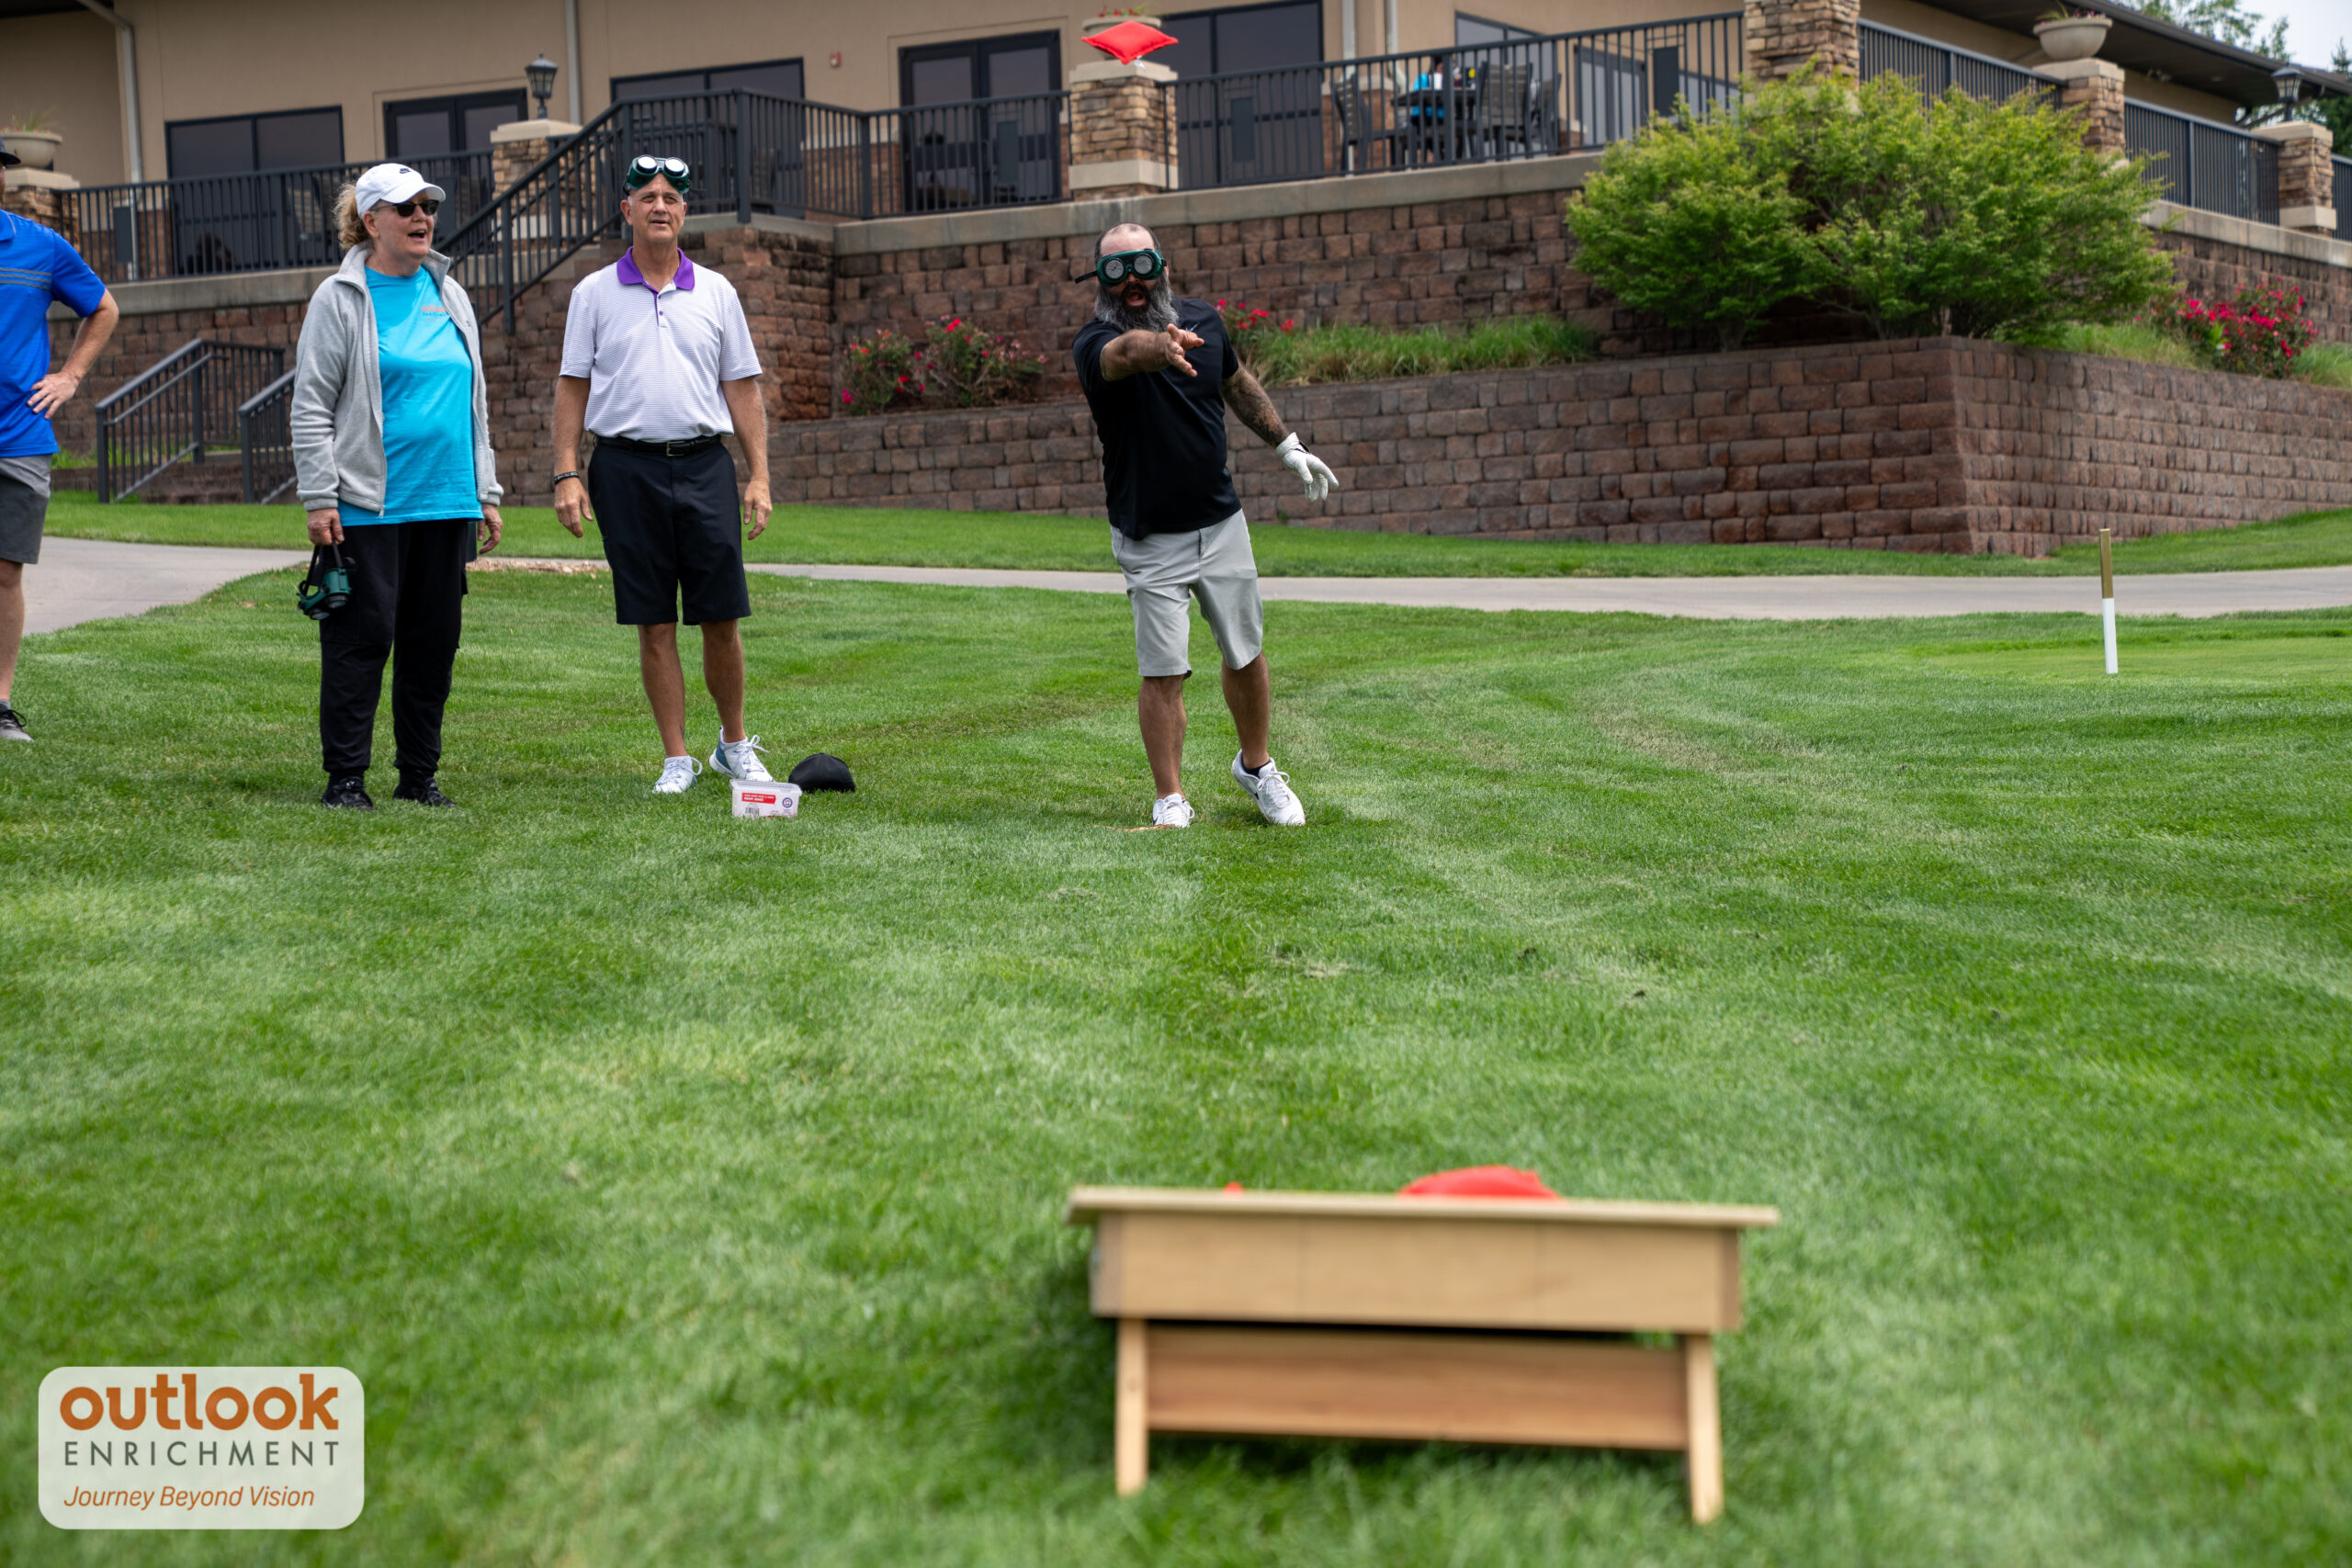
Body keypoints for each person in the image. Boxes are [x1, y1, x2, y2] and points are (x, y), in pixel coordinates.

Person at [1072, 222, 1337, 829]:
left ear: (1162, 266)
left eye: (1142, 264)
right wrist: (1161, 349)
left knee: (1246, 652)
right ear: (1099, 281)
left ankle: (1257, 767)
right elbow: (1124, 356)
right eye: (1116, 269)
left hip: (1221, 523)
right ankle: (1170, 797)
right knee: (1163, 670)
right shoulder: (1094, 344)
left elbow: (1235, 382)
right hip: (1148, 535)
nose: (1132, 279)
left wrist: (1287, 444)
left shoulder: (1206, 322)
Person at [552, 154, 774, 796]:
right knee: (654, 621)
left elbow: (743, 388)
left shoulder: (717, 292)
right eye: (647, 196)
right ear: (626, 209)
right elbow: (572, 386)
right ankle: (677, 758)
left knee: (721, 616)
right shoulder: (593, 294)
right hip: (624, 468)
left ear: (684, 212)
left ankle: (733, 745)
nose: (659, 206)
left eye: (671, 197)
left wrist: (759, 476)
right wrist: (566, 473)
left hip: (705, 464)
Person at [290, 162, 505, 810]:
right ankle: (345, 779)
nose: (422, 218)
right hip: (368, 504)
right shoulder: (339, 298)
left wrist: (486, 489)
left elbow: (475, 402)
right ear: (370, 220)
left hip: (447, 500)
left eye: (428, 207)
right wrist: (320, 496)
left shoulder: (451, 293)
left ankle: (417, 775)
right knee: (361, 643)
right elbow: (311, 405)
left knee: (432, 646)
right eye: (406, 208)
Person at [0, 130, 120, 743]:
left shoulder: (39, 245)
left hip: (19, 435)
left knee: (5, 573)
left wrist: (70, 376)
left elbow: (102, 307)